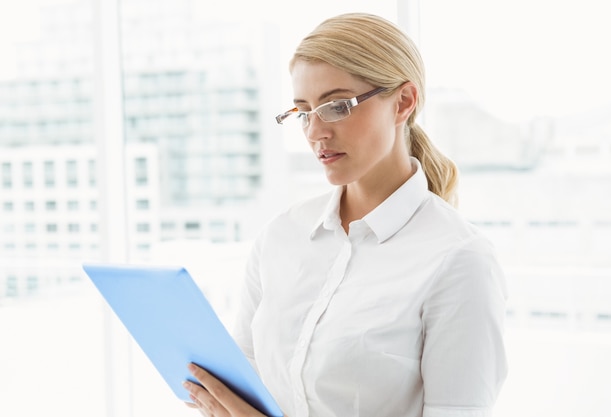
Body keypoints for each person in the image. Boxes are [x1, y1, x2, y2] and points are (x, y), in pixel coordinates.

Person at [183, 12, 508, 417]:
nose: (315, 132)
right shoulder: (281, 237)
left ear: (404, 102)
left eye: (336, 107)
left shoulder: (460, 259)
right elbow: (238, 390)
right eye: (303, 111)